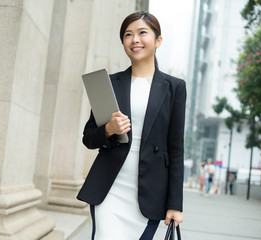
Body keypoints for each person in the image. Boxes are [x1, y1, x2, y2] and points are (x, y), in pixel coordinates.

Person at [77, 11, 186, 240]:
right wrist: (108, 130)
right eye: (128, 34)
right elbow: (89, 137)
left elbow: (176, 150)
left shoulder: (174, 87)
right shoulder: (109, 84)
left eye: (142, 33)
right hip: (110, 188)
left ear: (158, 41)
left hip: (150, 193)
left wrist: (175, 204)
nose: (134, 39)